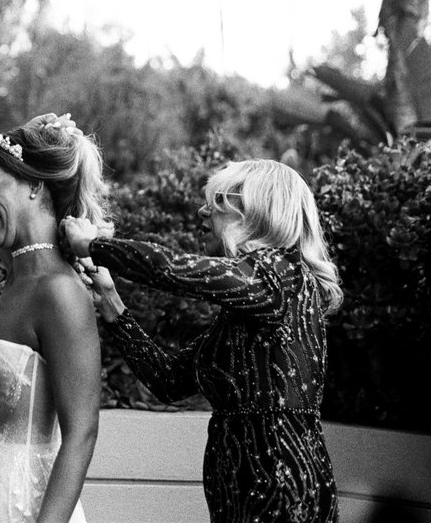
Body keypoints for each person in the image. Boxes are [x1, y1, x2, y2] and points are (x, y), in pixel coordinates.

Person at [61, 159, 343, 523]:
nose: (203, 212)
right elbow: (168, 381)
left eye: (218, 202)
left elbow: (175, 269)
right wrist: (111, 302)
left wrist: (95, 245)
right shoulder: (248, 307)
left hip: (284, 492)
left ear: (257, 211)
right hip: (239, 495)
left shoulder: (283, 277)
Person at [0, 113, 111, 523]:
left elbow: (81, 434)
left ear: (35, 186)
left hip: (25, 509)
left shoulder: (59, 292)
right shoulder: (14, 285)